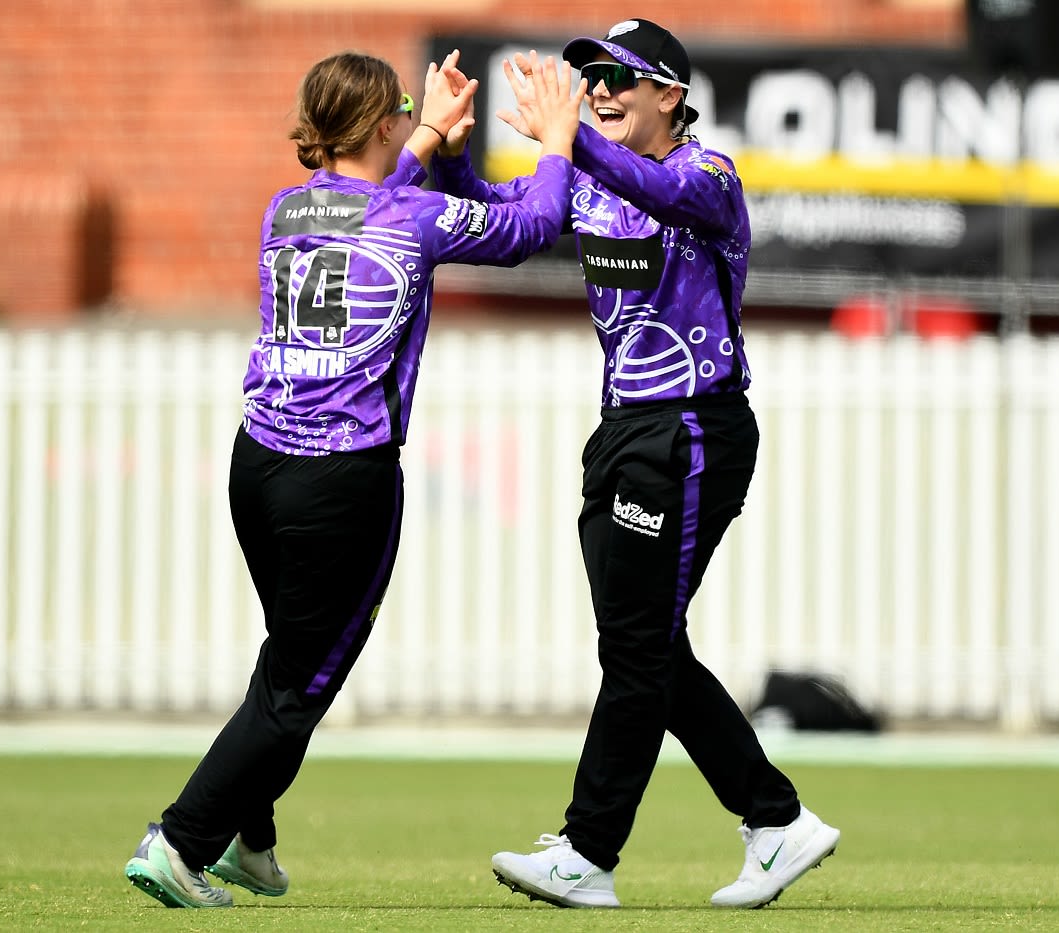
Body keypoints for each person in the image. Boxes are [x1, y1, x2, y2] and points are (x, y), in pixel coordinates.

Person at [121, 48, 586, 908]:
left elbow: (373, 194)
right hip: (341, 481)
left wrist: (430, 132)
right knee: (303, 684)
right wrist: (556, 140)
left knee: (283, 664)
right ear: (382, 122)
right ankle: (181, 841)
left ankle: (248, 844)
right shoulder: (412, 217)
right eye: (401, 111)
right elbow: (530, 229)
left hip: (257, 464)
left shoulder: (284, 209)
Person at [431, 19, 840, 909]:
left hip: (693, 433)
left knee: (637, 648)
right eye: (590, 78)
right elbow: (506, 225)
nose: (601, 89)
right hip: (622, 432)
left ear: (673, 96)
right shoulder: (585, 172)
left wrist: (566, 140)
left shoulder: (710, 177)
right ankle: (776, 820)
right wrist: (451, 161)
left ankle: (589, 850)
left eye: (621, 77)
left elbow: (656, 189)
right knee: (645, 645)